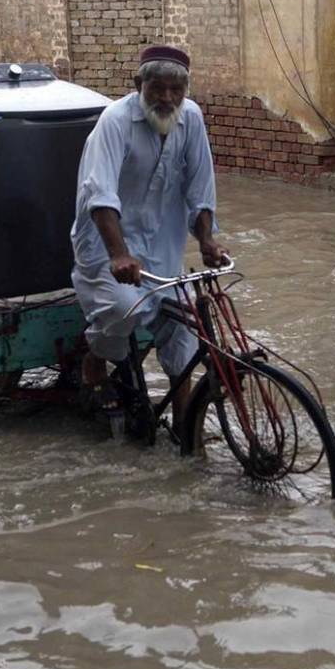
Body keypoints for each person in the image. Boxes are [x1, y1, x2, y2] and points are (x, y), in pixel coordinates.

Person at [70, 45, 229, 422]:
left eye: (177, 90)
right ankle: (94, 361)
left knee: (186, 320)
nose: (167, 99)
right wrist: (118, 254)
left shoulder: (191, 118)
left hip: (163, 247)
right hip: (105, 247)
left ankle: (185, 425)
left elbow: (200, 189)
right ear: (138, 84)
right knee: (125, 307)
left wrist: (206, 239)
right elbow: (100, 194)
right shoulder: (115, 121)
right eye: (158, 88)